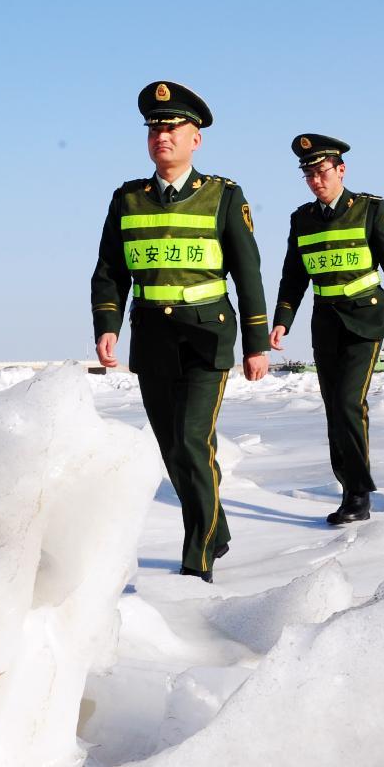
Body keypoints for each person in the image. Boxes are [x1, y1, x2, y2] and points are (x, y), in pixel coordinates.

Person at [91, 81, 269, 582]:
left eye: (172, 128)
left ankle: (199, 559)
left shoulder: (223, 196)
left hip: (207, 336)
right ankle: (219, 528)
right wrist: (107, 322)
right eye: (154, 128)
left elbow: (247, 272)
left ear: (197, 139)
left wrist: (256, 343)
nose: (161, 136)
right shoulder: (127, 199)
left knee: (193, 441)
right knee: (172, 448)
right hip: (151, 337)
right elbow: (110, 268)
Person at [269, 134, 384, 525]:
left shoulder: (370, 209)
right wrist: (282, 320)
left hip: (366, 318)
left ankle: (359, 494)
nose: (315, 180)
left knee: (347, 403)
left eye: (321, 171)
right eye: (307, 174)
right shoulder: (301, 218)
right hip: (325, 322)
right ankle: (347, 489)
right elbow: (293, 274)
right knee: (334, 409)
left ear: (341, 169)